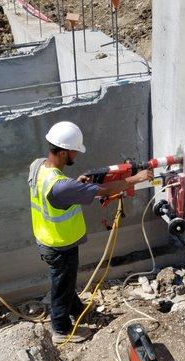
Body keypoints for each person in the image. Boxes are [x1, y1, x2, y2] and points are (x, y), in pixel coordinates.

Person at [28, 121, 153, 344]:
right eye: (75, 150)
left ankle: (77, 310)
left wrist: (74, 185)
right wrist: (137, 178)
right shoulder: (62, 186)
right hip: (59, 245)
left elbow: (55, 194)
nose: (77, 153)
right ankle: (62, 330)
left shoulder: (38, 166)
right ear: (65, 151)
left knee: (66, 281)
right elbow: (103, 190)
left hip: (47, 238)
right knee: (61, 286)